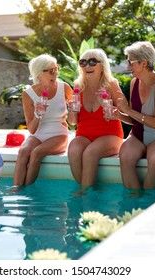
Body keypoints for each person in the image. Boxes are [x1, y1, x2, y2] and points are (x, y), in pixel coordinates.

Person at [116, 41, 155, 190]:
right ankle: (133, 201)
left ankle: (148, 205)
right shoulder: (134, 83)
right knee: (125, 156)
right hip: (137, 137)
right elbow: (134, 119)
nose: (128, 66)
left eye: (131, 62)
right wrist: (118, 115)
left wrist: (128, 110)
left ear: (143, 63)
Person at [67, 48, 125, 193]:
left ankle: (83, 193)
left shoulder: (111, 84)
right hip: (84, 135)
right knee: (73, 149)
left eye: (93, 62)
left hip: (110, 135)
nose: (87, 66)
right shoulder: (78, 87)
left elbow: (125, 112)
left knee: (90, 153)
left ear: (102, 65)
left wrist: (109, 107)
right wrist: (72, 110)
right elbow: (72, 122)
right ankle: (86, 190)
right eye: (83, 62)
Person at [13, 54, 73, 186]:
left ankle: (26, 194)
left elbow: (75, 114)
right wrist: (38, 115)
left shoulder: (64, 88)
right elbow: (32, 130)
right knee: (23, 152)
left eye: (56, 69)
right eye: (51, 71)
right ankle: (15, 191)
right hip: (38, 134)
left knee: (36, 153)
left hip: (59, 134)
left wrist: (71, 110)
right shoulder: (28, 94)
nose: (56, 73)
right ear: (39, 74)